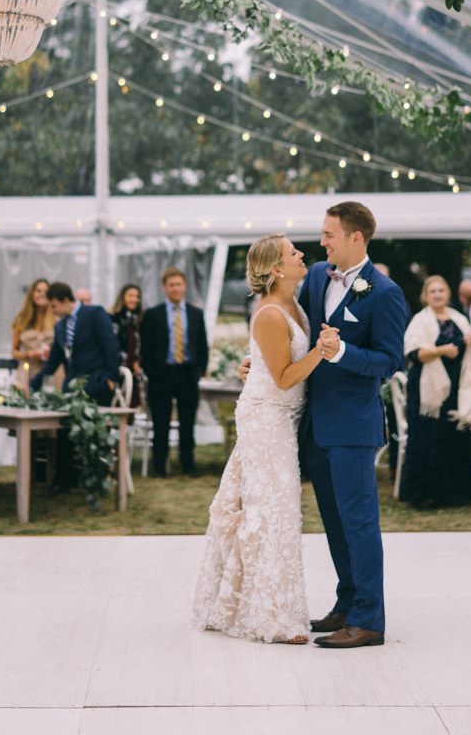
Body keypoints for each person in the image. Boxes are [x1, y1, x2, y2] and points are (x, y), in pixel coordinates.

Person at [192, 234, 326, 643]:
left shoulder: (295, 303)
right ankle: (270, 618)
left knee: (275, 511)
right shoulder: (269, 313)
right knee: (273, 513)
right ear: (277, 270)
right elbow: (285, 378)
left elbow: (274, 364)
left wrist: (256, 366)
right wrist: (322, 351)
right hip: (267, 418)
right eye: (293, 252)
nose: (302, 254)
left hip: (281, 414)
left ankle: (243, 603)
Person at [300, 201, 406, 649]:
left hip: (354, 427)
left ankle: (369, 620)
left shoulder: (384, 293)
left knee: (360, 523)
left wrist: (343, 353)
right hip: (316, 425)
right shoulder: (313, 278)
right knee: (334, 522)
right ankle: (347, 603)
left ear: (355, 237)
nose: (321, 241)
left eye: (329, 234)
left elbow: (391, 360)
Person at [400, 276, 471, 508]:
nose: (437, 294)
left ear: (448, 293)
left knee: (453, 439)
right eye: (433, 291)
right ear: (425, 295)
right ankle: (425, 495)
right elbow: (414, 353)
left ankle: (455, 493)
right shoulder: (419, 320)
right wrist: (440, 350)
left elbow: (470, 356)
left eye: (441, 290)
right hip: (428, 388)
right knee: (428, 439)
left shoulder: (460, 319)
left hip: (456, 387)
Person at [30, 281, 120, 494]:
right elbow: (55, 359)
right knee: (63, 428)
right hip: (73, 387)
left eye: (53, 306)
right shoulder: (60, 326)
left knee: (97, 432)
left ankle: (99, 478)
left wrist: (110, 378)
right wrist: (37, 378)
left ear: (66, 301)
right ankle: (63, 479)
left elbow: (111, 346)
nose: (51, 311)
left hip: (98, 383)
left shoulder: (94, 313)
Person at [140, 268, 209, 477]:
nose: (175, 288)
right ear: (164, 287)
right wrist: (152, 373)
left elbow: (202, 345)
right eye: (171, 285)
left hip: (187, 375)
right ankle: (159, 466)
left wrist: (199, 370)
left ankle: (188, 464)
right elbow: (146, 349)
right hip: (161, 375)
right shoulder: (153, 314)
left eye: (179, 284)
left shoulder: (196, 313)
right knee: (160, 423)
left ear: (184, 286)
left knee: (187, 423)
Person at [11, 278, 58, 384]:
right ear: (32, 294)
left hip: (50, 371)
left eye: (45, 292)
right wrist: (28, 355)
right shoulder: (22, 320)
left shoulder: (56, 319)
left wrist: (51, 352)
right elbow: (14, 351)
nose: (42, 294)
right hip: (28, 370)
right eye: (38, 291)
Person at [111, 283, 143, 408]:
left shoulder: (138, 320)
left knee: (131, 407)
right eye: (130, 296)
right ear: (122, 297)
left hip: (132, 370)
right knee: (116, 405)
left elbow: (138, 345)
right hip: (117, 369)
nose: (134, 299)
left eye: (137, 296)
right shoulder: (113, 318)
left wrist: (137, 360)